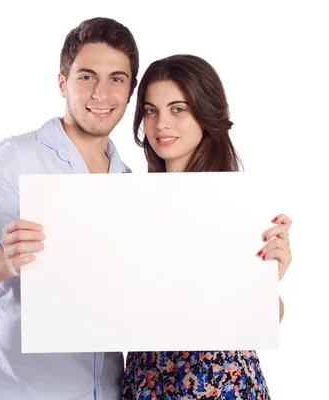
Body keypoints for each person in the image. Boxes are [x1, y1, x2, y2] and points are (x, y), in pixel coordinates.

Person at [0, 17, 140, 399]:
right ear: (62, 83)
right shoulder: (14, 160)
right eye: (87, 76)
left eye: (116, 79)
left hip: (108, 390)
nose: (101, 94)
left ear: (131, 91)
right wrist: (2, 262)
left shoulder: (129, 182)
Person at [120, 54, 293, 399]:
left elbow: (265, 320)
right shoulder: (130, 202)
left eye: (178, 109)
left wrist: (267, 279)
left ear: (205, 112)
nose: (160, 123)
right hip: (149, 380)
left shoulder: (239, 202)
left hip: (219, 381)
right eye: (151, 110)